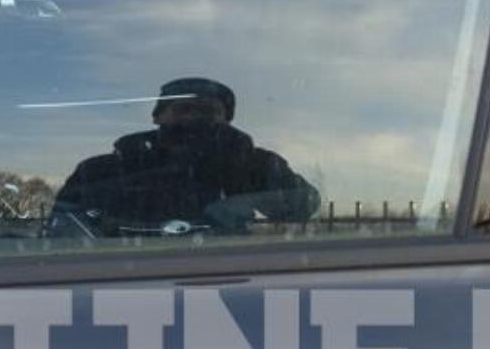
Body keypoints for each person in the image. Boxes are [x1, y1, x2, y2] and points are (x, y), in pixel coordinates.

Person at [50, 77, 320, 238]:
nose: (194, 118)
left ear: (226, 120)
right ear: (157, 116)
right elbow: (63, 231)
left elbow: (304, 203)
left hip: (229, 267)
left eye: (208, 111)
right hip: (116, 273)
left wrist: (242, 201)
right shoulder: (100, 170)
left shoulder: (256, 163)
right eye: (184, 109)